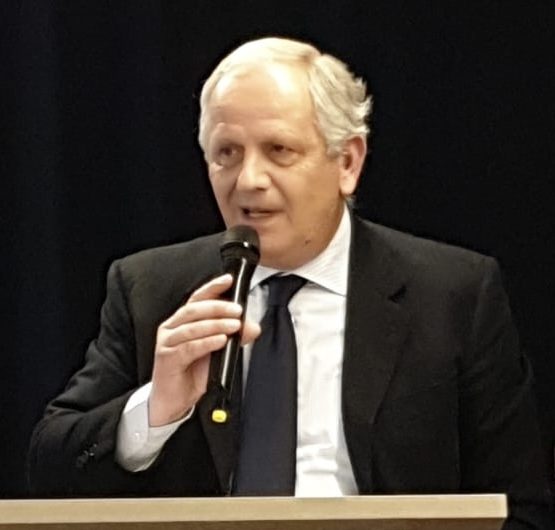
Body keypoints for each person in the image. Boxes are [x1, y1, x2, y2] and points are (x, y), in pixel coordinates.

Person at [28, 37, 551, 528]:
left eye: (279, 150)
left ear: (347, 162)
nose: (248, 180)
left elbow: (520, 505)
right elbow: (50, 469)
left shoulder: (452, 295)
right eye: (227, 153)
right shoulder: (151, 288)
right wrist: (155, 408)